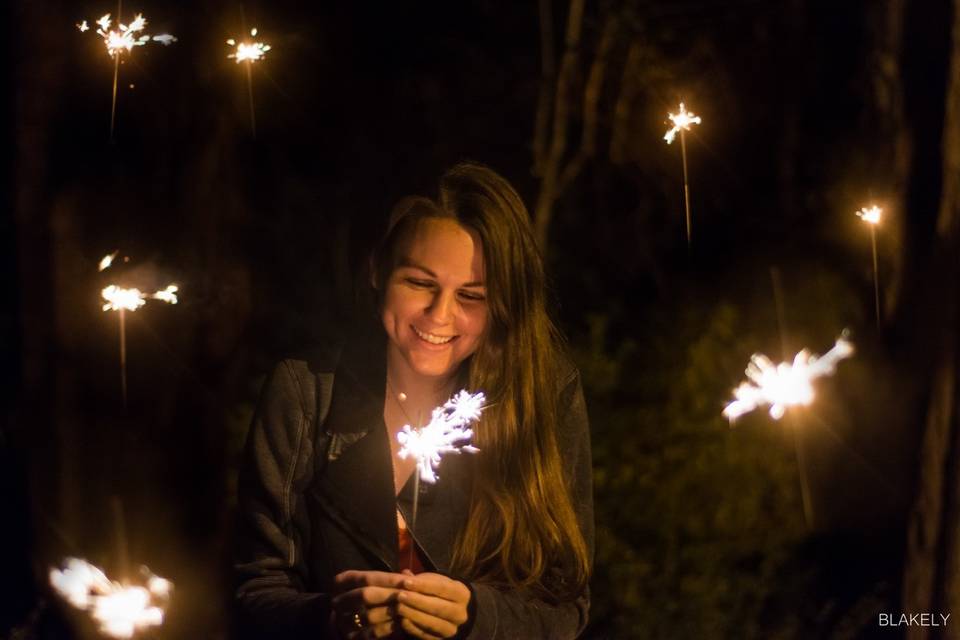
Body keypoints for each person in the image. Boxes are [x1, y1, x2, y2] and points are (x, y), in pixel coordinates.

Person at [235, 162, 593, 639]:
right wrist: (333, 618)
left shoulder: (540, 396)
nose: (440, 315)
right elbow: (254, 589)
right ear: (378, 270)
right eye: (420, 283)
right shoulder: (305, 395)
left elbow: (565, 606)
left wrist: (475, 616)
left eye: (471, 296)